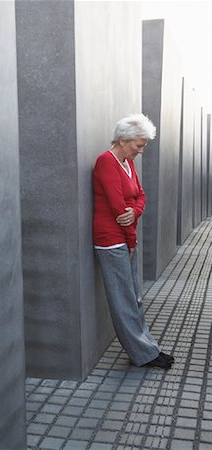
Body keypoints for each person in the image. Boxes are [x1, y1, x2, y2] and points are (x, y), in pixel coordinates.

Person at [93, 113, 174, 369]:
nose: (141, 150)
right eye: (139, 145)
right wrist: (130, 239)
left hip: (126, 238)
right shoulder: (106, 162)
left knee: (135, 297)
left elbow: (140, 197)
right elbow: (119, 210)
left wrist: (136, 212)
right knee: (124, 300)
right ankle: (143, 354)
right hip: (111, 240)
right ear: (124, 139)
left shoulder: (128, 164)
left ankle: (148, 347)